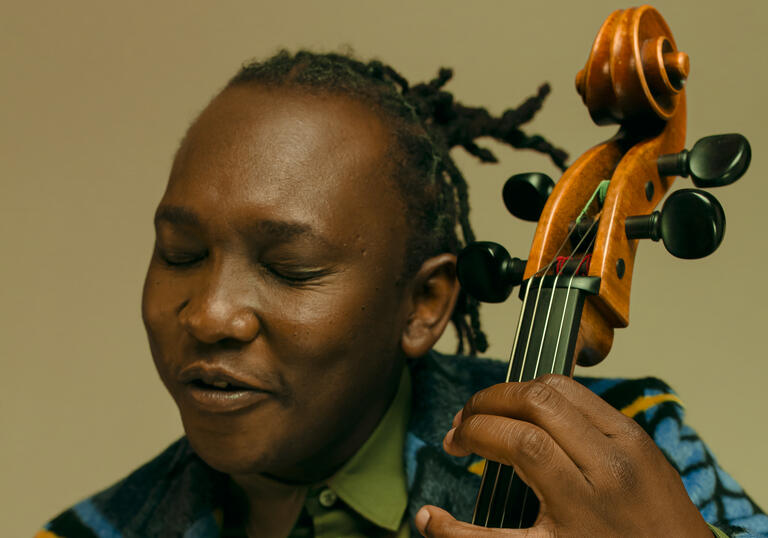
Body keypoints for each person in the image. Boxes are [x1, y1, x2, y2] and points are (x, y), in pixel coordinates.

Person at [37, 51, 767, 538]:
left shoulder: (621, 455)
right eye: (181, 254)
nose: (210, 314)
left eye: (290, 267)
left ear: (425, 305)